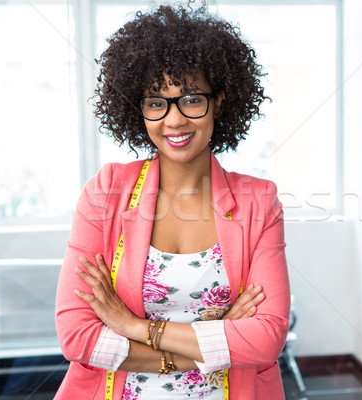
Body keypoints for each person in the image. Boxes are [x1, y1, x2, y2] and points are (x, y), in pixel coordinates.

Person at [55, 5, 290, 399]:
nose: (174, 120)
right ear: (139, 110)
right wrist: (218, 340)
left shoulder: (258, 200)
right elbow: (78, 337)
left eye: (192, 99)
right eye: (156, 102)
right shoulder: (107, 191)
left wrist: (133, 327)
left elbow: (266, 339)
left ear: (219, 101)